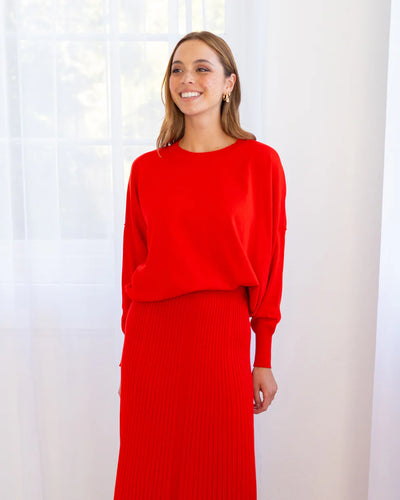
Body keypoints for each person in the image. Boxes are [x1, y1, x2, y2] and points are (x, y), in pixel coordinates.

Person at [113, 30, 287, 500]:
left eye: (202, 68)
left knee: (220, 471)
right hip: (153, 341)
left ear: (229, 83)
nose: (187, 79)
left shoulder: (260, 163)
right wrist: (132, 342)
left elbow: (270, 263)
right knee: (148, 474)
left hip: (220, 336)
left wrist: (263, 356)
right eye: (177, 69)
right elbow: (133, 265)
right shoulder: (147, 169)